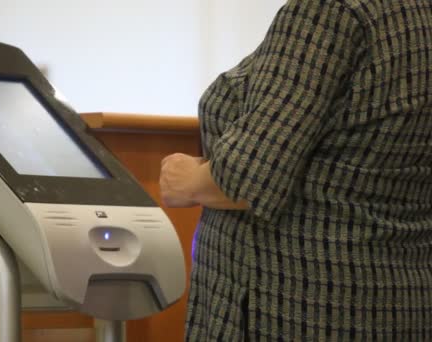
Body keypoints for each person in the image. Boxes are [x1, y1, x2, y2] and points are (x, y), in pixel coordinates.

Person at [159, 0, 432, 340]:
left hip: (297, 304)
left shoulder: (328, 11)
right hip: (401, 302)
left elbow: (249, 179)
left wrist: (189, 179)